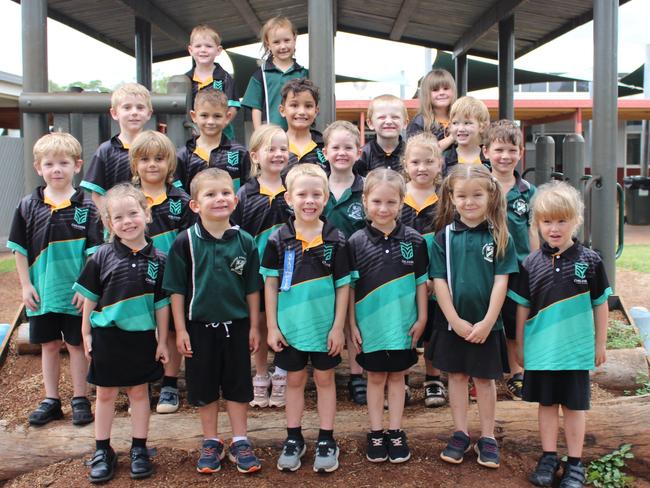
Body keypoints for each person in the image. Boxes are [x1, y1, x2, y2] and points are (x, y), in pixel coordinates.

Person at [508, 181, 611, 488]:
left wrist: (600, 342)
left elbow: (601, 304)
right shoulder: (530, 264)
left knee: (575, 408)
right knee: (547, 405)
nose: (554, 228)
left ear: (575, 221)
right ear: (537, 224)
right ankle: (549, 456)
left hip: (575, 352)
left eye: (562, 220)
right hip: (541, 352)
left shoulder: (590, 261)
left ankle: (576, 464)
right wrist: (521, 346)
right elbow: (522, 309)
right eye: (547, 221)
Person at [163, 168, 263, 474]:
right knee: (204, 387)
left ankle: (240, 440)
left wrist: (255, 326)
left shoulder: (245, 241)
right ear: (195, 205)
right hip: (198, 328)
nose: (219, 199)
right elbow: (176, 289)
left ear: (234, 199)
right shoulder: (184, 242)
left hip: (237, 325)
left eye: (224, 193)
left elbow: (252, 288)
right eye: (210, 194)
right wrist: (180, 329)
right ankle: (211, 441)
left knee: (238, 385)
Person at [74, 184, 170, 483]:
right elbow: (89, 298)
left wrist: (162, 339)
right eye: (119, 217)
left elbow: (162, 304)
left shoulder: (160, 259)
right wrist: (86, 333)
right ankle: (103, 449)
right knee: (105, 394)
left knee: (140, 393)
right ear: (108, 224)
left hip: (141, 337)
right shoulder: (101, 257)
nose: (127, 221)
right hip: (107, 336)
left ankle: (139, 448)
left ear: (147, 214)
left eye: (133, 213)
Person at [8, 132, 102, 427]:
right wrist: (25, 286)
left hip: (74, 294)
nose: (56, 169)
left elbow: (95, 255)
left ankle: (80, 398)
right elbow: (19, 250)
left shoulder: (87, 208)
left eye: (64, 162)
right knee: (48, 345)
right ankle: (51, 400)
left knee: (76, 345)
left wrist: (87, 291)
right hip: (42, 293)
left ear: (78, 165)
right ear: (38, 168)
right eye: (49, 164)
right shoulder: (27, 206)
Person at [261, 164, 350, 473]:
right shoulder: (277, 239)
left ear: (326, 198)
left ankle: (327, 438)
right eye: (302, 194)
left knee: (325, 380)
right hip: (290, 329)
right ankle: (293, 437)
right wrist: (272, 326)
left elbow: (343, 286)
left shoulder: (336, 239)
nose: (309, 201)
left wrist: (338, 327)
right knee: (294, 380)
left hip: (325, 329)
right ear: (289, 198)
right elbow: (270, 284)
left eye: (316, 195)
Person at [428, 164, 517, 469]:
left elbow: (501, 281)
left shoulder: (500, 236)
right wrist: (453, 319)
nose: (469, 202)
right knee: (456, 375)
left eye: (477, 195)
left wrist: (489, 321)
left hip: (486, 325)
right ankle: (460, 432)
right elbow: (438, 281)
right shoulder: (444, 237)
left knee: (485, 379)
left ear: (490, 195)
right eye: (462, 196)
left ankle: (488, 437)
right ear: (451, 198)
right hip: (454, 324)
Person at [348, 169, 428, 464]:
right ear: (365, 200)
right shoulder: (355, 242)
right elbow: (350, 287)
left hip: (402, 325)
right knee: (375, 377)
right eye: (377, 201)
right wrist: (351, 325)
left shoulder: (415, 241)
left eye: (391, 202)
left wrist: (421, 318)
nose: (384, 209)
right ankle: (376, 431)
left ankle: (395, 430)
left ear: (402, 203)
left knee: (398, 377)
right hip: (370, 327)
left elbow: (421, 283)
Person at [129, 130, 195, 414]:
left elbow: (191, 241)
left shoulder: (181, 200)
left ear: (170, 163)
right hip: (135, 278)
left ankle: (169, 383)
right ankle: (141, 384)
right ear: (134, 164)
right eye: (144, 159)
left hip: (172, 277)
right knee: (143, 330)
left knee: (169, 331)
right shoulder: (128, 199)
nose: (152, 164)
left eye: (159, 158)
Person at [230, 124, 293, 408]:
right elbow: (235, 234)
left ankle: (282, 373)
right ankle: (260, 373)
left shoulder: (293, 191)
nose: (278, 154)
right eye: (271, 149)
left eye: (283, 149)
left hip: (289, 269)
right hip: (255, 271)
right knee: (258, 321)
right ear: (255, 155)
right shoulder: (245, 194)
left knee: (284, 321)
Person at [482, 120, 539, 400]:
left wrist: (537, 265)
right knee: (487, 319)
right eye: (498, 149)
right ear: (485, 152)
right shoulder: (478, 185)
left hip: (519, 267)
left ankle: (517, 373)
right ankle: (483, 373)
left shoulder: (529, 191)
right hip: (484, 266)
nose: (505, 156)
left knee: (516, 321)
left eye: (511, 150)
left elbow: (533, 231)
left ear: (520, 153)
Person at [399, 133, 446, 408]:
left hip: (433, 278)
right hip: (403, 276)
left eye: (429, 162)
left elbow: (444, 245)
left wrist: (433, 277)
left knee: (432, 330)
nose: (422, 168)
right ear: (406, 164)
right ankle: (401, 378)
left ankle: (433, 377)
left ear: (439, 164)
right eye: (415, 162)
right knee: (406, 326)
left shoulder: (444, 201)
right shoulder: (397, 196)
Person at [322, 120, 367, 405]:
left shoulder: (365, 189)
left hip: (359, 268)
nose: (341, 153)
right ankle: (320, 371)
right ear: (324, 151)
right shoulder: (315, 186)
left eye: (348, 147)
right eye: (335, 147)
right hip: (319, 269)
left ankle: (356, 374)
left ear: (358, 152)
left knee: (355, 323)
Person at [81, 83, 153, 209]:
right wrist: (110, 222)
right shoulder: (106, 151)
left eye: (140, 107)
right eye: (127, 107)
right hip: (119, 224)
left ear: (149, 113)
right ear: (114, 113)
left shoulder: (156, 149)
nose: (134, 112)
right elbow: (97, 195)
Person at [175, 89, 251, 193]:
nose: (210, 121)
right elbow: (177, 193)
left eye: (217, 116)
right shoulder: (183, 155)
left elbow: (247, 190)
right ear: (194, 116)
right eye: (204, 115)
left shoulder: (239, 152)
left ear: (227, 117)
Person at [241, 16, 308, 131]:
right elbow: (255, 107)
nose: (283, 46)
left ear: (294, 39)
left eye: (287, 40)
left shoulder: (304, 73)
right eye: (276, 42)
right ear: (268, 45)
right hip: (271, 136)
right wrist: (259, 133)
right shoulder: (260, 74)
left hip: (299, 134)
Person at [185, 24, 239, 140]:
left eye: (208, 46)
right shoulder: (186, 80)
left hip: (222, 135)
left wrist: (221, 124)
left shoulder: (225, 78)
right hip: (194, 135)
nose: (203, 50)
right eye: (198, 46)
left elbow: (233, 106)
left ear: (218, 50)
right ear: (191, 50)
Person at [281, 78, 328, 173]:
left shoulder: (326, 145)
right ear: (282, 110)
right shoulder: (272, 145)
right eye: (294, 105)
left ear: (316, 111)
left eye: (308, 106)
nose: (302, 112)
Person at [354, 94, 408, 177]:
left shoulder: (410, 153)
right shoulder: (362, 155)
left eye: (395, 117)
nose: (389, 121)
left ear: (405, 123)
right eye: (382, 117)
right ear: (370, 123)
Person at [406, 69, 456, 153]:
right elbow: (421, 152)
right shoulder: (419, 123)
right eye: (435, 90)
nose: (442, 93)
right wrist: (451, 138)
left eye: (446, 88)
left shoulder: (460, 118)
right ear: (426, 94)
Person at [444, 96, 491, 174]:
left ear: (482, 126)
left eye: (467, 123)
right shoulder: (444, 158)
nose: (461, 129)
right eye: (455, 123)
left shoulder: (491, 158)